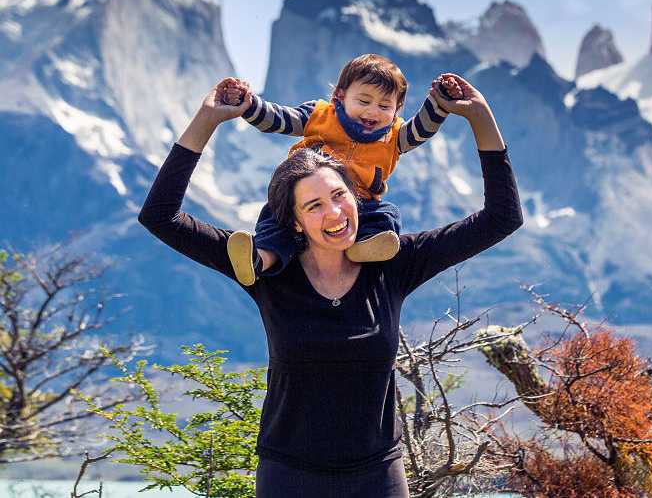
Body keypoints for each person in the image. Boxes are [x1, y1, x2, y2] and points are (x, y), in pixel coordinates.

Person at [138, 73, 522, 496]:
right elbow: (160, 216)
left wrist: (481, 118)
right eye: (314, 205)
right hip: (289, 475)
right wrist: (207, 120)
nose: (335, 214)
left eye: (340, 196)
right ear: (296, 221)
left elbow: (501, 218)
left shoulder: (392, 262)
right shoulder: (264, 270)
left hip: (378, 475)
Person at [218, 53, 464, 286]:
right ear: (340, 96)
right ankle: (259, 259)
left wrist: (439, 102)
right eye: (364, 101)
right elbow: (278, 119)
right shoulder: (320, 115)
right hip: (301, 198)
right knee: (276, 222)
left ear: (396, 110)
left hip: (358, 204)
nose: (372, 111)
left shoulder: (396, 136)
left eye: (384, 106)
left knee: (386, 215)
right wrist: (248, 104)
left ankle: (364, 246)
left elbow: (422, 129)